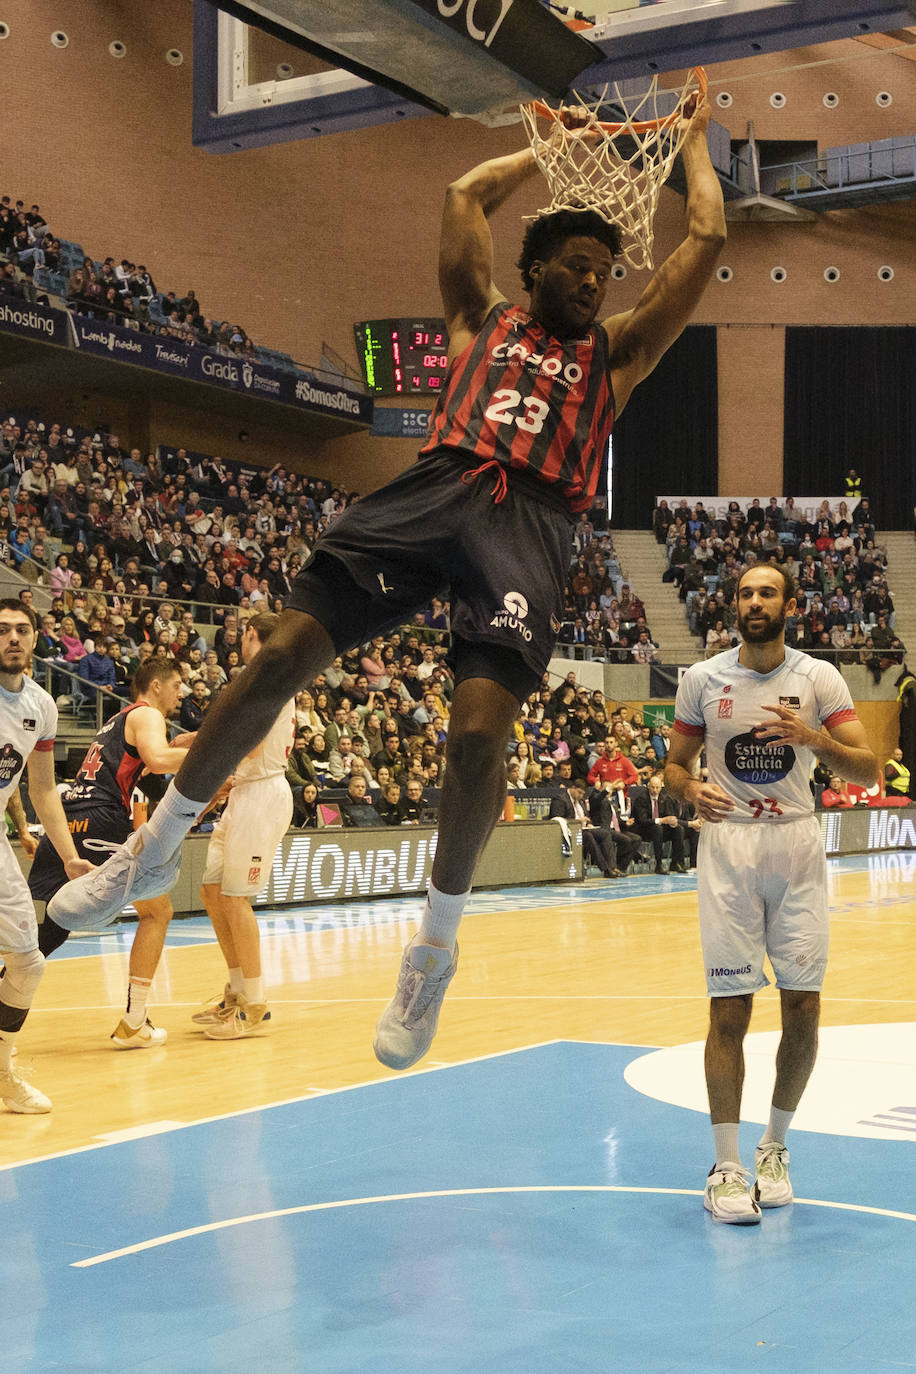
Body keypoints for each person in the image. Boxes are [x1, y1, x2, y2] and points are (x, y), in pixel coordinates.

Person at [49, 90, 726, 1073]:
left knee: (479, 735)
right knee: (280, 654)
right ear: (536, 268)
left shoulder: (616, 353)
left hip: (530, 524)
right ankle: (151, 852)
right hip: (434, 489)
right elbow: (462, 195)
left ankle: (433, 949)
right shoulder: (478, 321)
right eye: (576, 263)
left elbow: (705, 238)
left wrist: (694, 145)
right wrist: (548, 149)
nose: (593, 279)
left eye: (603, 269)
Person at [664, 564, 878, 1225]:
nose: (754, 602)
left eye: (767, 593)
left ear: (791, 605)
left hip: (796, 842)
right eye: (745, 593)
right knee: (728, 1011)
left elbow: (868, 769)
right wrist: (688, 787)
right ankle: (726, 1167)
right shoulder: (702, 680)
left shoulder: (818, 678)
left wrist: (811, 738)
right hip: (728, 847)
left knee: (804, 1008)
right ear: (734, 606)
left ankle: (774, 1148)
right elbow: (673, 765)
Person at [29, 656, 192, 1046]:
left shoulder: (117, 720)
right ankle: (135, 1022)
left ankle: (7, 994)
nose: (180, 694)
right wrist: (215, 752)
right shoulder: (147, 714)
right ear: (156, 685)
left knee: (54, 926)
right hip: (102, 819)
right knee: (157, 913)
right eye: (176, 685)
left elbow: (145, 765)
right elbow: (158, 760)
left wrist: (187, 743)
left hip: (70, 818)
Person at [0, 601, 94, 1111]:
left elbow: (41, 788)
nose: (12, 638)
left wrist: (69, 856)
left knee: (28, 962)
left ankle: (2, 1073)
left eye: (22, 629)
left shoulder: (41, 707)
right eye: (2, 630)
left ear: (36, 638)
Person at [191, 613, 296, 1040]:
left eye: (244, 636)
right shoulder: (262, 680)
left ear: (252, 635)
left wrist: (197, 743)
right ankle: (236, 992)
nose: (240, 642)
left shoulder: (273, 681)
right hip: (245, 791)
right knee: (212, 892)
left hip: (263, 793)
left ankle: (255, 1003)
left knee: (235, 898)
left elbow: (250, 745)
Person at [630, 771, 688, 874]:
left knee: (678, 829)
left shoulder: (665, 798)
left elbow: (669, 815)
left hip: (660, 830)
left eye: (657, 787)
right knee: (657, 828)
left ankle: (675, 863)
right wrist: (661, 820)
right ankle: (659, 864)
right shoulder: (641, 799)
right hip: (644, 830)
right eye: (653, 787)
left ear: (661, 787)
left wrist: (671, 821)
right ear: (648, 786)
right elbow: (642, 820)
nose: (655, 790)